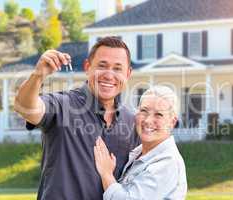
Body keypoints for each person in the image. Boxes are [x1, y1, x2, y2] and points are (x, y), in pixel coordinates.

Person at [14, 37, 140, 200]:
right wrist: (38, 75)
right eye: (102, 66)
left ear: (128, 74)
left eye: (117, 68)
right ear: (87, 67)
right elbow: (23, 106)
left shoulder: (132, 122)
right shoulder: (62, 105)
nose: (109, 75)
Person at [94, 86, 188, 199]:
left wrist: (106, 174)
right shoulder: (137, 153)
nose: (148, 120)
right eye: (144, 111)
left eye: (159, 114)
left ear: (172, 122)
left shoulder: (167, 163)